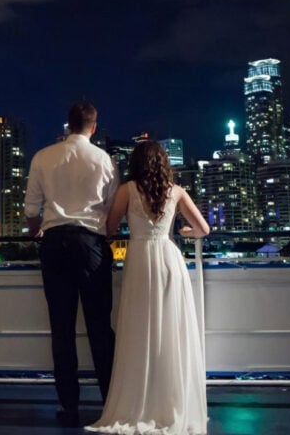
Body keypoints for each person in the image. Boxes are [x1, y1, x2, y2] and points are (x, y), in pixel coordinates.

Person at [86, 140, 210, 435]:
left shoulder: (127, 190)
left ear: (137, 164)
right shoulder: (177, 191)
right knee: (170, 330)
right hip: (168, 259)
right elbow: (204, 229)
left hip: (140, 260)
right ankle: (170, 403)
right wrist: (184, 231)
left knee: (139, 330)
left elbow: (110, 227)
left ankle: (139, 400)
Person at [24, 101, 119, 427]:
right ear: (93, 127)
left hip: (54, 243)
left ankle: (69, 407)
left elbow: (31, 210)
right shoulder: (103, 159)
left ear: (68, 125)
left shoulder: (42, 157)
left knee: (61, 329)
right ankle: (111, 402)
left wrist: (36, 227)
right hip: (91, 244)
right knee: (99, 328)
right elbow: (110, 212)